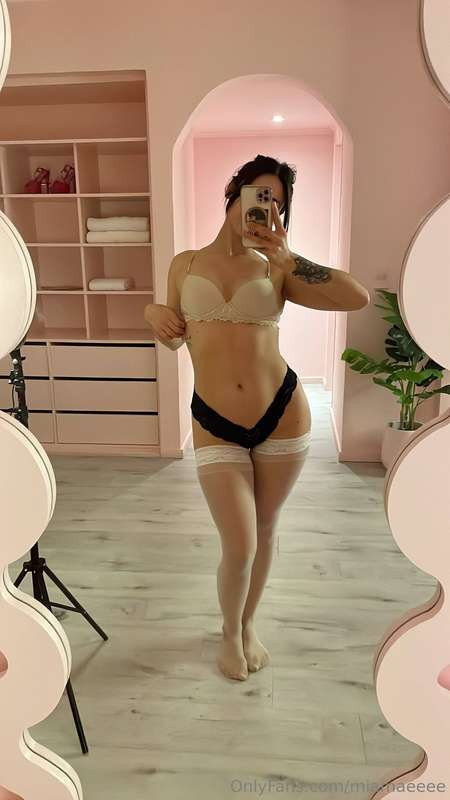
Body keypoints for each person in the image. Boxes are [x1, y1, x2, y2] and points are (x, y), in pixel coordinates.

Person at [144, 154, 370, 682]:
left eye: (276, 204)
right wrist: (153, 313)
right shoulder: (185, 263)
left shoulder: (278, 268)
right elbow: (173, 333)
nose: (264, 209)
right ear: (235, 190)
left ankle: (248, 626)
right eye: (258, 195)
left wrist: (289, 257)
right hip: (213, 420)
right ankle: (228, 633)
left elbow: (355, 297)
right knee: (240, 541)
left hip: (283, 414)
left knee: (265, 530)